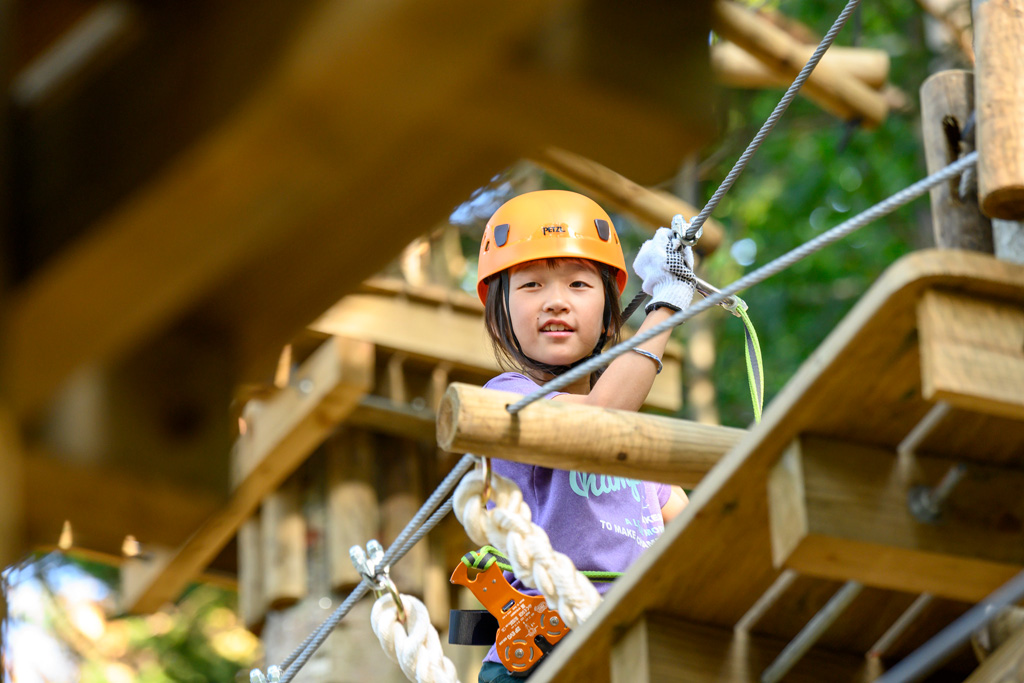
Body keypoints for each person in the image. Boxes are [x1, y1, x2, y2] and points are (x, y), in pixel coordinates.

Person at [473, 189, 694, 683]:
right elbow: (596, 418)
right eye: (531, 285)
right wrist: (668, 302)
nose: (555, 301)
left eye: (577, 283)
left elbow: (692, 525)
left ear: (609, 310)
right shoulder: (503, 399)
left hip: (628, 647)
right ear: (501, 308)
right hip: (541, 655)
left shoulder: (630, 439)